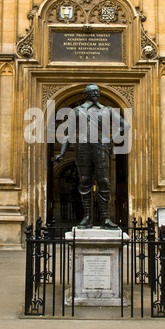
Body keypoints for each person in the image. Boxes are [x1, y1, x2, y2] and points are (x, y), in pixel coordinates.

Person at [55, 83, 130, 229]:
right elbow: (68, 134)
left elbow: (124, 125)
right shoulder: (77, 111)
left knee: (103, 181)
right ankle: (87, 217)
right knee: (85, 181)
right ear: (86, 94)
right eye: (92, 91)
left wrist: (111, 138)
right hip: (82, 147)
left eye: (97, 91)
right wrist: (62, 153)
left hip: (100, 147)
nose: (95, 94)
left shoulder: (107, 110)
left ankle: (105, 219)